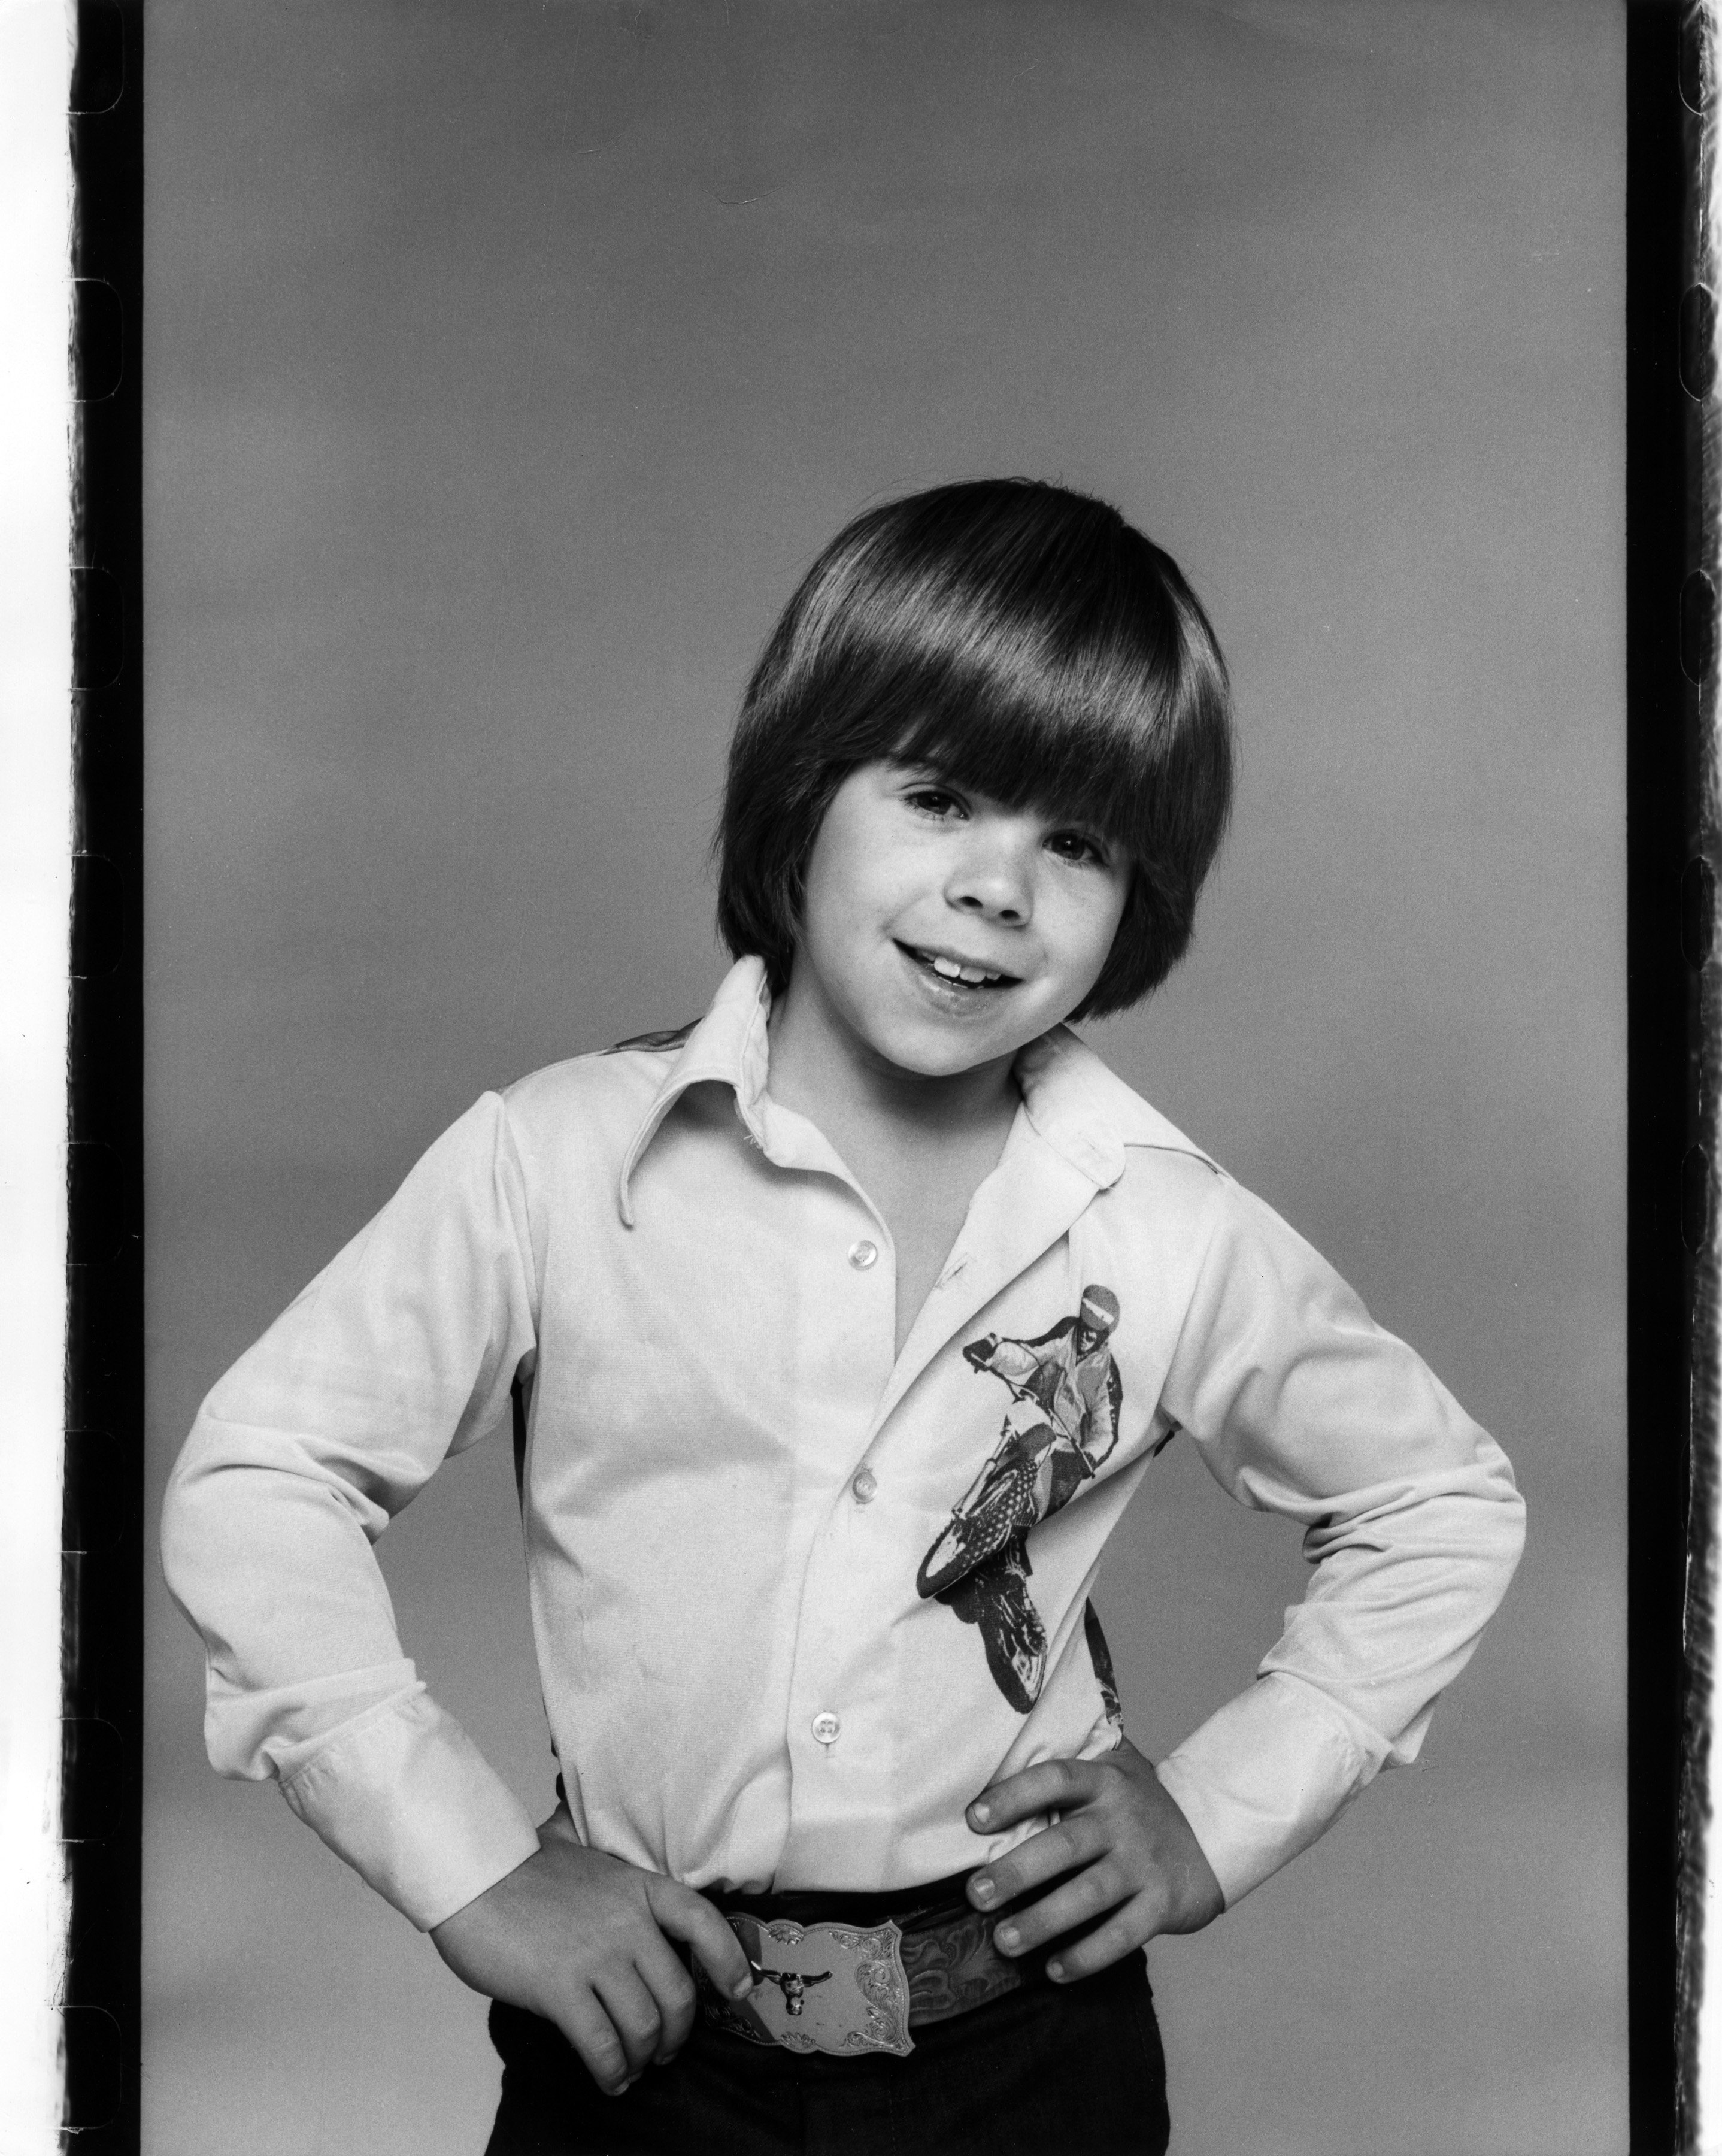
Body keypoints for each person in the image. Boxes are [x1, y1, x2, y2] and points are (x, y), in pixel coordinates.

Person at [161, 478, 1526, 2154]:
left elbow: (1434, 1501)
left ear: (1136, 901)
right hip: (645, 2048)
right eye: (940, 796)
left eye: (1076, 844)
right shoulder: (562, 1156)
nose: (997, 890)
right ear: (802, 796)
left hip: (1029, 2057)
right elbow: (265, 1474)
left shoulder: (1164, 1225)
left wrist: (1216, 1816)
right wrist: (468, 1863)